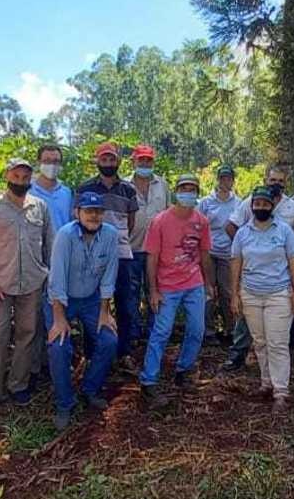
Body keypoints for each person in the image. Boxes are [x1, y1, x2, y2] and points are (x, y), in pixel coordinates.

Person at [0, 158, 55, 418]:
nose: (20, 181)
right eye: (16, 176)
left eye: (25, 177)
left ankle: (18, 385)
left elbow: (50, 247)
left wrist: (48, 278)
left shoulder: (39, 207)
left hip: (31, 282)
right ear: (8, 176)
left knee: (27, 334)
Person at [140, 174, 215, 408]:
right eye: (184, 188)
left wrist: (209, 283)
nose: (188, 192)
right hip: (167, 286)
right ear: (176, 191)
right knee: (161, 332)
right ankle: (149, 382)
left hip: (194, 284)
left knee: (197, 329)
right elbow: (151, 257)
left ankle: (183, 370)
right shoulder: (160, 221)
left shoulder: (201, 221)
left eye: (192, 189)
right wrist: (153, 290)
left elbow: (204, 254)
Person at [46, 192, 119, 431]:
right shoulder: (65, 236)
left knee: (108, 340)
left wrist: (105, 312)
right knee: (58, 347)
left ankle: (90, 389)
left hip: (91, 299)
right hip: (63, 301)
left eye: (98, 211)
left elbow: (109, 276)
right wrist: (58, 319)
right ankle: (65, 403)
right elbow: (56, 280)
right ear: (77, 213)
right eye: (88, 211)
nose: (94, 216)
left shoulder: (110, 235)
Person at [222, 166, 294, 372]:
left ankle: (284, 359)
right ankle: (238, 355)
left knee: (283, 318)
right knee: (247, 319)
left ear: (285, 184)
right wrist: (248, 251)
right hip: (252, 276)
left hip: (281, 277)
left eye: (280, 181)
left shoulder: (293, 208)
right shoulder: (249, 202)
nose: (275, 184)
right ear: (265, 180)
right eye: (272, 180)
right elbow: (231, 226)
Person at [230, 186, 294, 413]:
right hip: (250, 293)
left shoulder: (283, 230)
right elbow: (236, 262)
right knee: (259, 342)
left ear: (272, 206)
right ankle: (266, 382)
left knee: (277, 343)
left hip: (278, 294)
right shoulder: (243, 233)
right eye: (257, 203)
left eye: (265, 204)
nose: (261, 207)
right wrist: (234, 293)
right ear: (252, 205)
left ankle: (281, 392)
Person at [76, 142, 140, 367]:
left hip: (122, 253)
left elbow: (131, 222)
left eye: (112, 159)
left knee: (125, 304)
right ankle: (91, 353)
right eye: (104, 160)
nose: (108, 164)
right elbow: (79, 219)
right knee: (91, 304)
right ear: (97, 161)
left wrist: (117, 240)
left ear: (118, 162)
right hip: (92, 254)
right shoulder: (85, 188)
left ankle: (124, 352)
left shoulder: (128, 190)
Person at [28, 142, 74, 389]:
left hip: (63, 261)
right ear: (38, 162)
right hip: (36, 260)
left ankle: (55, 362)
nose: (52, 165)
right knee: (34, 316)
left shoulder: (66, 192)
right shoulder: (29, 190)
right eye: (47, 160)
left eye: (56, 161)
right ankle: (36, 367)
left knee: (57, 309)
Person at [126, 144, 169, 347]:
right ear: (133, 161)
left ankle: (155, 333)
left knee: (156, 291)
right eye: (141, 160)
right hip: (131, 248)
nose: (145, 163)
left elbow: (169, 214)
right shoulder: (124, 185)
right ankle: (133, 335)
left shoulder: (162, 184)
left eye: (148, 160)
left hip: (157, 250)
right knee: (130, 294)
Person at [197, 165, 240, 344]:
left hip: (228, 253)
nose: (225, 181)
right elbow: (197, 225)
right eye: (222, 178)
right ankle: (208, 331)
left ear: (232, 180)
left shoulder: (238, 203)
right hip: (208, 252)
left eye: (229, 178)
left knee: (227, 292)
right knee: (208, 292)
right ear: (218, 179)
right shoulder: (206, 202)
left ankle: (230, 330)